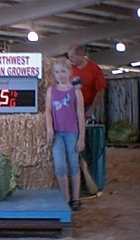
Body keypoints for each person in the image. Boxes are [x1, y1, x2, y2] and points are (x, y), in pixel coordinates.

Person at [45, 57, 85, 211]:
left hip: (72, 132)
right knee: (60, 164)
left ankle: (76, 198)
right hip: (57, 134)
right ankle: (65, 199)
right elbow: (48, 111)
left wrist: (81, 138)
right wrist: (50, 128)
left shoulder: (76, 92)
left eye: (63, 71)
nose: (60, 75)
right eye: (57, 72)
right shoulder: (51, 90)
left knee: (73, 164)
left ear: (69, 72)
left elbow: (81, 116)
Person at [67, 44, 106, 121]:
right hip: (71, 106)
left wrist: (91, 109)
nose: (70, 59)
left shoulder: (95, 69)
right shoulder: (69, 69)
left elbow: (100, 91)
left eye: (72, 57)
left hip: (87, 106)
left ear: (80, 55)